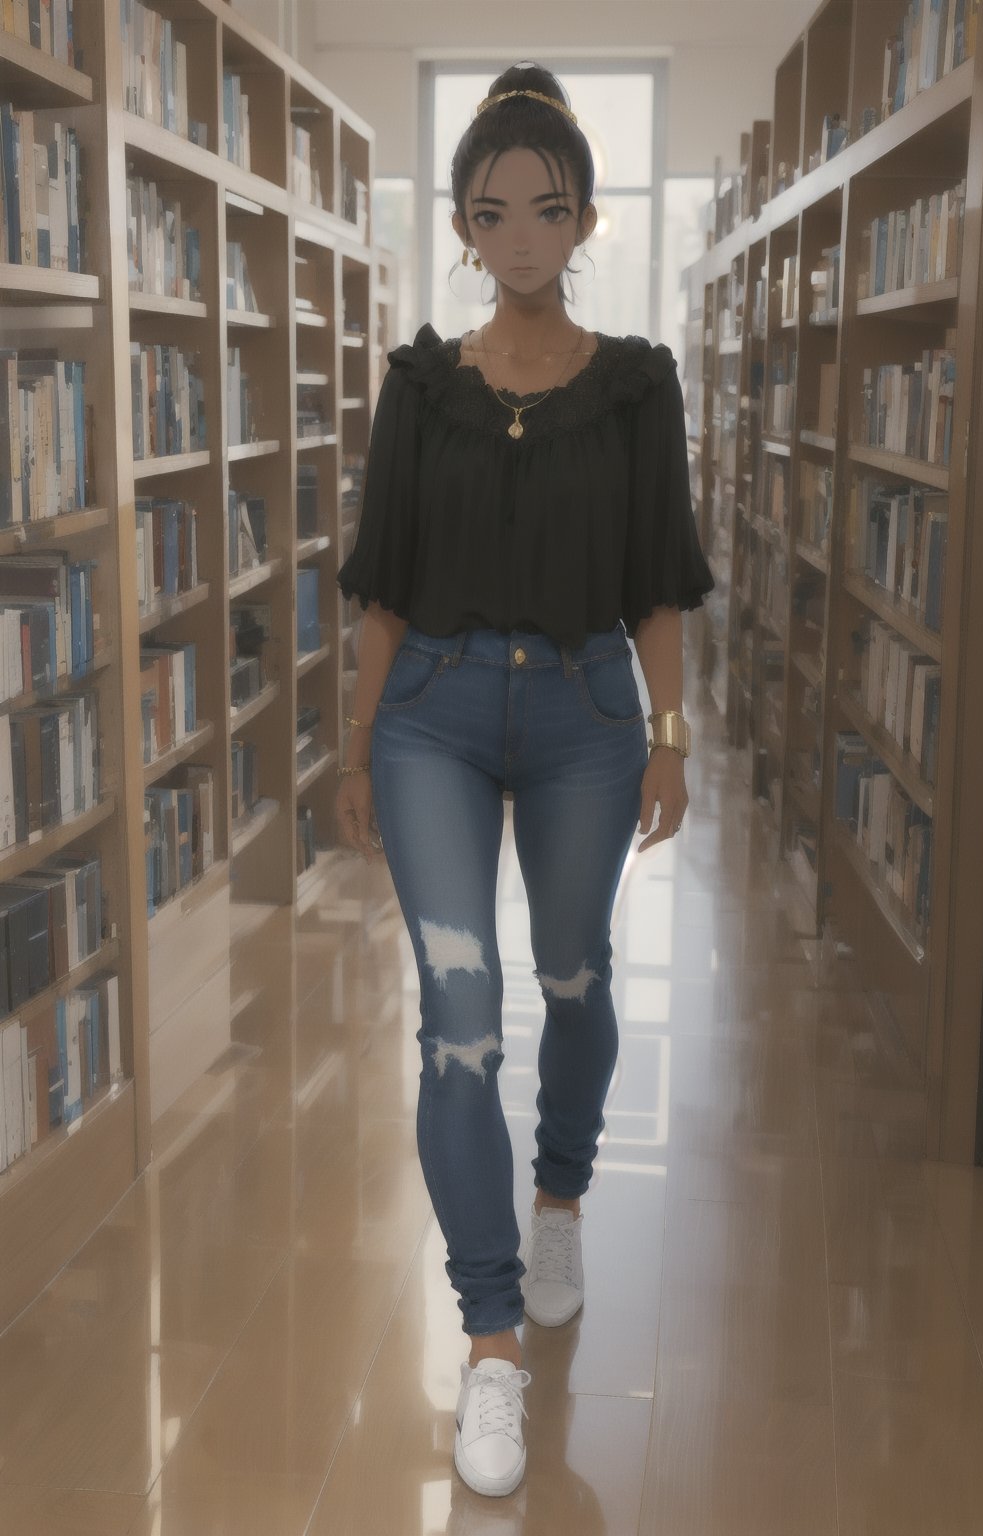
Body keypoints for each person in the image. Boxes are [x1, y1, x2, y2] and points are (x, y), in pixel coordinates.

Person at [335, 61, 714, 1499]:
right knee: (458, 1014)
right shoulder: (421, 387)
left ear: (586, 218)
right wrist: (358, 742)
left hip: (584, 717)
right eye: (493, 214)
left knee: (573, 976)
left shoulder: (636, 389)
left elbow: (663, 585)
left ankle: (559, 1195)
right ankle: (489, 1344)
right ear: (463, 224)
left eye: (548, 211)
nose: (521, 239)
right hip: (429, 709)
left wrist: (669, 738)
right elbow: (378, 586)